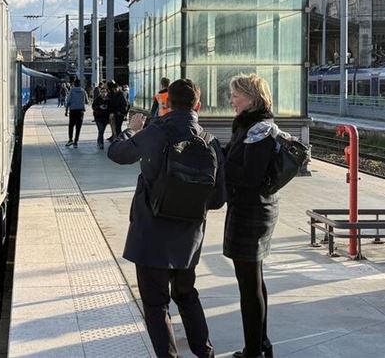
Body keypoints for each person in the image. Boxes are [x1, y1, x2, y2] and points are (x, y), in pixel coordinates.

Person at [107, 79, 226, 358]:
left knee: (156, 304)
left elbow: (117, 154)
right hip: (188, 239)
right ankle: (204, 352)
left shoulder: (155, 132)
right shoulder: (210, 141)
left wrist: (130, 131)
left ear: (166, 102)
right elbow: (219, 199)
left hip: (151, 236)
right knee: (186, 295)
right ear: (198, 105)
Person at [225, 73, 281, 358]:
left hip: (252, 210)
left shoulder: (259, 129)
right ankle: (261, 345)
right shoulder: (250, 125)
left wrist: (222, 167)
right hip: (252, 207)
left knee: (249, 284)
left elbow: (249, 175)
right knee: (253, 280)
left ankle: (254, 351)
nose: (231, 99)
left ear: (251, 97)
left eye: (235, 94)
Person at [64, 78, 88, 148]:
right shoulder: (83, 91)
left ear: (74, 84)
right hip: (80, 111)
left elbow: (68, 101)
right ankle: (75, 142)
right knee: (78, 127)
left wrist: (66, 110)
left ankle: (70, 140)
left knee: (71, 125)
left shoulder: (71, 90)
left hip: (73, 111)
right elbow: (87, 101)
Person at [92, 85, 111, 149]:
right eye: (102, 92)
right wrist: (99, 107)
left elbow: (111, 108)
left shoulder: (109, 100)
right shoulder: (97, 99)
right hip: (98, 118)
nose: (104, 93)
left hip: (105, 118)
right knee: (101, 130)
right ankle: (101, 143)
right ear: (100, 92)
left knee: (102, 131)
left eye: (105, 92)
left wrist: (107, 108)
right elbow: (93, 107)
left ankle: (99, 140)